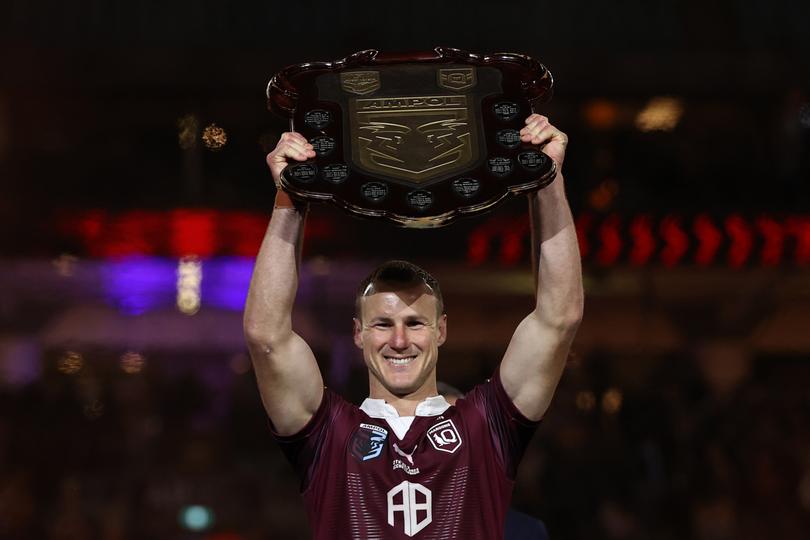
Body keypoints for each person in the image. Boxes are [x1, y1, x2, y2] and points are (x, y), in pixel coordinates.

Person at [243, 114, 583, 539]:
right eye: (383, 324)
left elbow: (558, 318)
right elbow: (266, 336)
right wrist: (290, 198)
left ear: (441, 330)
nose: (399, 340)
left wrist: (546, 178)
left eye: (415, 323)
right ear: (358, 334)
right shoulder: (329, 435)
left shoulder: (485, 426)